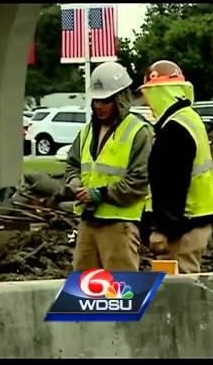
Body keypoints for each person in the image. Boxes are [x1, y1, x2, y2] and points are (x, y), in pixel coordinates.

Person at [65, 62, 153, 271]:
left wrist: (100, 194)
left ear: (120, 99)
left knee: (120, 294)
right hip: (88, 222)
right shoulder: (87, 132)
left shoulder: (138, 132)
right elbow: (73, 165)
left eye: (106, 100)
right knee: (86, 293)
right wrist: (74, 182)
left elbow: (139, 181)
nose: (99, 106)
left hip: (119, 224)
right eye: (96, 100)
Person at [139, 60, 213, 273]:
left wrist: (161, 230)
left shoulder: (174, 129)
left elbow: (171, 184)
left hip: (181, 230)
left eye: (148, 95)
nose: (147, 103)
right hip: (192, 223)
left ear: (159, 93)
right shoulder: (188, 119)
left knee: (179, 297)